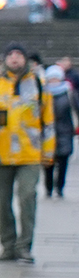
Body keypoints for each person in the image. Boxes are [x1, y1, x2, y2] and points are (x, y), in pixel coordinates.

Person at [0, 43, 55, 263]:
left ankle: (25, 245)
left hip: (30, 152)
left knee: (27, 197)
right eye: (11, 55)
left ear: (25, 59)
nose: (15, 59)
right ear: (4, 59)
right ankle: (8, 245)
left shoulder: (38, 84)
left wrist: (48, 151)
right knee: (3, 201)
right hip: (0, 151)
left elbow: (48, 120)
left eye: (19, 54)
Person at [47, 64, 77, 200]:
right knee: (48, 162)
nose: (54, 81)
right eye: (51, 79)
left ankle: (60, 187)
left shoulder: (69, 93)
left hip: (65, 131)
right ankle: (48, 187)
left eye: (56, 78)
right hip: (48, 133)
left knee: (63, 161)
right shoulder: (43, 94)